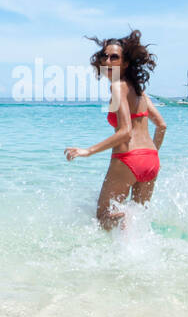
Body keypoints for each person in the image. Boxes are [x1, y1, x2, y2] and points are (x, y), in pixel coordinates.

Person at [64, 30, 167, 229]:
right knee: (139, 222)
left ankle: (123, 220)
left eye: (114, 57)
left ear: (125, 63)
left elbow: (126, 131)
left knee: (103, 218)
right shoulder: (139, 92)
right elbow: (161, 126)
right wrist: (149, 153)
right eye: (105, 56)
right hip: (151, 160)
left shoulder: (118, 86)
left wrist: (88, 151)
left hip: (128, 158)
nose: (108, 61)